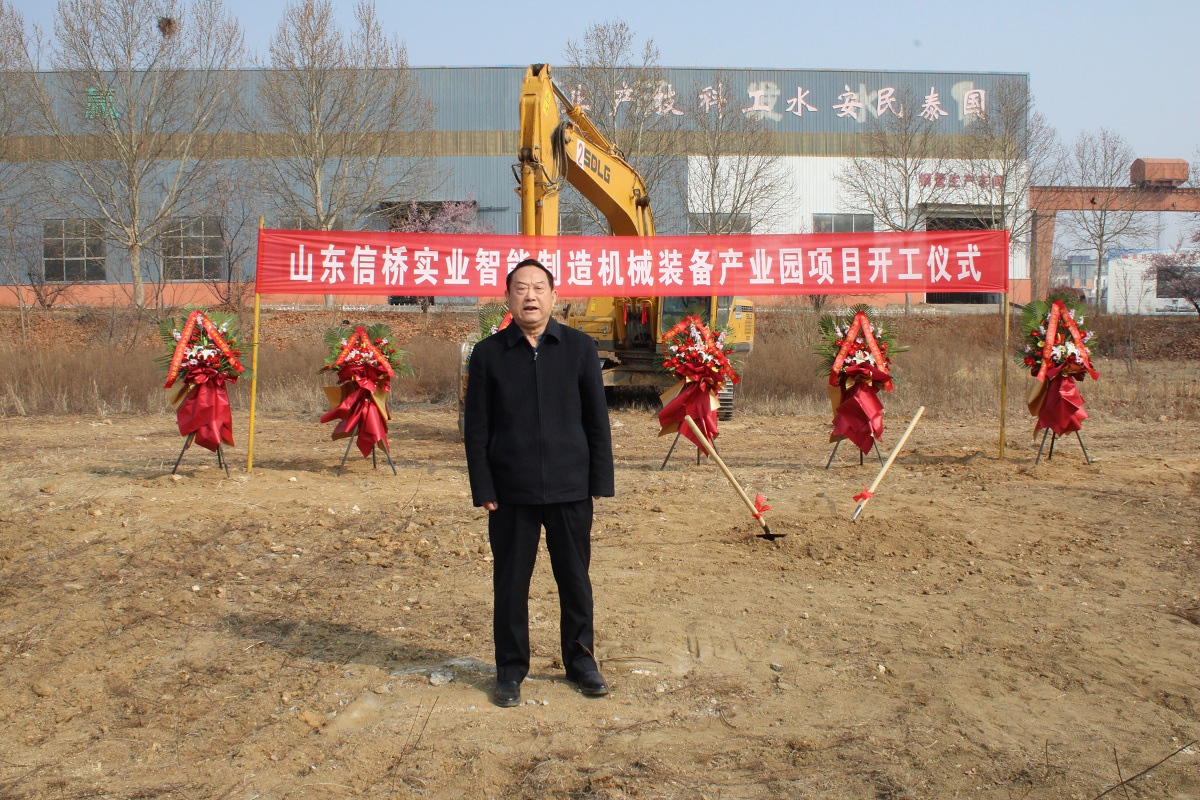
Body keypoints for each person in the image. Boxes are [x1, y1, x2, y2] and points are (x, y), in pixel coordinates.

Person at [464, 258, 615, 708]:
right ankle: (510, 670)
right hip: (511, 492)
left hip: (571, 488)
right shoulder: (488, 354)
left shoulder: (579, 348)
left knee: (575, 580)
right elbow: (476, 427)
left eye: (538, 287)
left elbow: (596, 420)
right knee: (511, 585)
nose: (530, 296)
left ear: (554, 295)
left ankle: (581, 661)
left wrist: (599, 480)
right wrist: (483, 486)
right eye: (520, 288)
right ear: (507, 297)